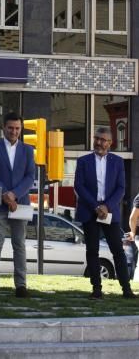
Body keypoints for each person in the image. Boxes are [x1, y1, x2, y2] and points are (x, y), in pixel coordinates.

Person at [74, 125, 134, 299]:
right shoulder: (83, 161)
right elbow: (79, 186)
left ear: (110, 143)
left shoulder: (117, 161)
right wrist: (96, 206)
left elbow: (121, 188)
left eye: (103, 140)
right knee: (92, 251)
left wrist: (107, 206)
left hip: (110, 211)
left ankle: (126, 289)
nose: (99, 142)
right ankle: (96, 289)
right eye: (97, 138)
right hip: (89, 210)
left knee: (118, 250)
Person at [0, 112, 35, 299]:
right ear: (3, 127)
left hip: (20, 204)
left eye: (17, 128)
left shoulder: (28, 150)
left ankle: (21, 285)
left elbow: (30, 177)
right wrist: (5, 194)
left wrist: (14, 194)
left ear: (21, 129)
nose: (14, 131)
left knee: (19, 244)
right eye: (10, 128)